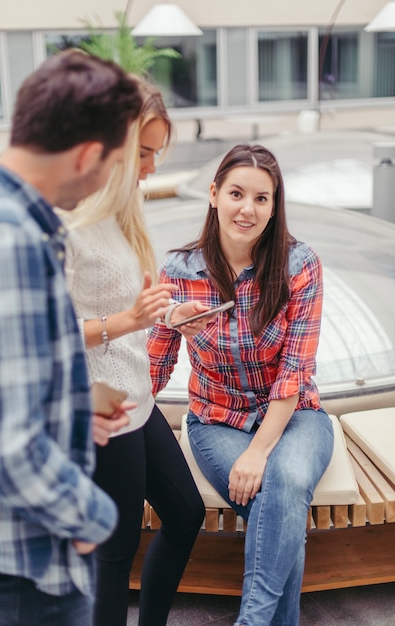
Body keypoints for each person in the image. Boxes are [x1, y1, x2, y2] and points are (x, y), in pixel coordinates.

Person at [0, 50, 142, 626]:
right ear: (86, 154)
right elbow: (7, 451)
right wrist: (93, 518)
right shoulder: (12, 241)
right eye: (117, 160)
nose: (113, 177)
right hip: (25, 573)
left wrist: (70, 414)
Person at [147, 144, 335, 626]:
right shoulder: (178, 273)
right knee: (283, 498)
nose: (247, 209)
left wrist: (258, 451)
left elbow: (294, 372)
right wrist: (166, 321)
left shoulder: (300, 265)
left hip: (297, 418)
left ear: (275, 206)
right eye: (235, 193)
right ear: (213, 194)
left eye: (261, 198)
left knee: (282, 481)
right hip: (215, 421)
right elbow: (153, 367)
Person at [62, 77, 206, 626]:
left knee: (185, 513)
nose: (150, 167)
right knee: (114, 553)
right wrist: (126, 320)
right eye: (142, 152)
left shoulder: (126, 203)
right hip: (96, 399)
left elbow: (135, 304)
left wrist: (170, 315)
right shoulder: (64, 219)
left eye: (156, 153)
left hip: (136, 391)